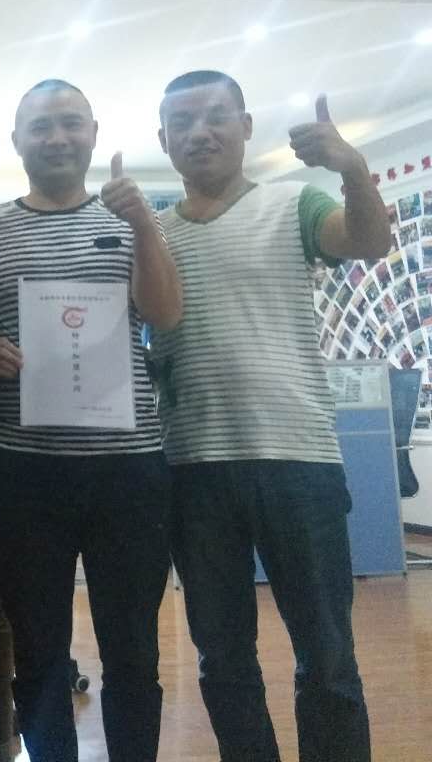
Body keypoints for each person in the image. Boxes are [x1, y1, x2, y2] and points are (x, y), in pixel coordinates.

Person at [154, 70, 389, 762]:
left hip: (300, 463)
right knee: (222, 661)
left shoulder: (294, 203)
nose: (200, 133)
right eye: (182, 122)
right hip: (193, 468)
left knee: (328, 654)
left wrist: (352, 168)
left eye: (216, 116)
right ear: (162, 139)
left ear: (246, 126)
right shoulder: (153, 233)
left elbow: (368, 241)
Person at [0, 79, 182, 762]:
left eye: (70, 124)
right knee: (38, 654)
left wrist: (141, 224)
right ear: (16, 140)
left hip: (129, 472)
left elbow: (166, 314)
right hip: (22, 473)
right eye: (40, 126)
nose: (56, 138)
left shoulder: (137, 221)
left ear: (93, 133)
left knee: (133, 651)